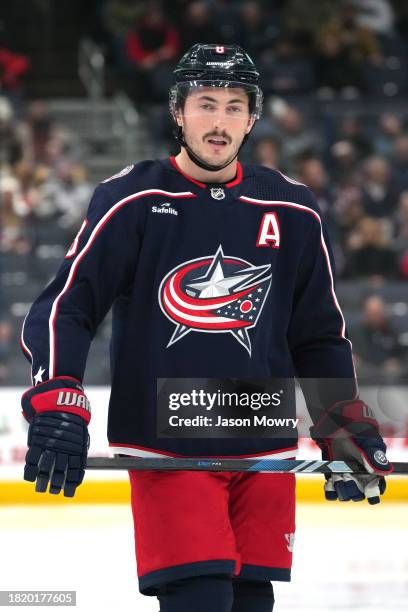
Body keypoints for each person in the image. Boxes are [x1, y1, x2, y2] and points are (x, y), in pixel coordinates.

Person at [20, 44, 393, 612]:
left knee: (250, 602)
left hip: (261, 440)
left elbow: (317, 335)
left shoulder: (292, 208)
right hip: (172, 444)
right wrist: (59, 398)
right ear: (178, 111)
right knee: (200, 598)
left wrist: (339, 420)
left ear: (252, 118)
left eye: (234, 107)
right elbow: (67, 306)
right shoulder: (134, 198)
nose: (219, 123)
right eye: (206, 104)